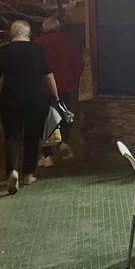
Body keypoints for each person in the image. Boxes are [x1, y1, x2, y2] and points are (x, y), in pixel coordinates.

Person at [0, 20, 58, 195]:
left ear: (12, 34)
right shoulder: (38, 49)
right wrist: (55, 96)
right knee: (32, 136)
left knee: (12, 136)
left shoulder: (4, 51)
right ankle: (28, 174)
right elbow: (48, 76)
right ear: (28, 34)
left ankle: (13, 171)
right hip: (35, 98)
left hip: (10, 98)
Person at [35, 16, 85, 166]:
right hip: (64, 86)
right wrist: (72, 78)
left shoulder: (38, 44)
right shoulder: (68, 41)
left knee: (47, 120)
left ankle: (47, 154)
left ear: (44, 28)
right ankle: (64, 143)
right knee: (63, 115)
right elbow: (78, 63)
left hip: (43, 88)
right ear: (58, 27)